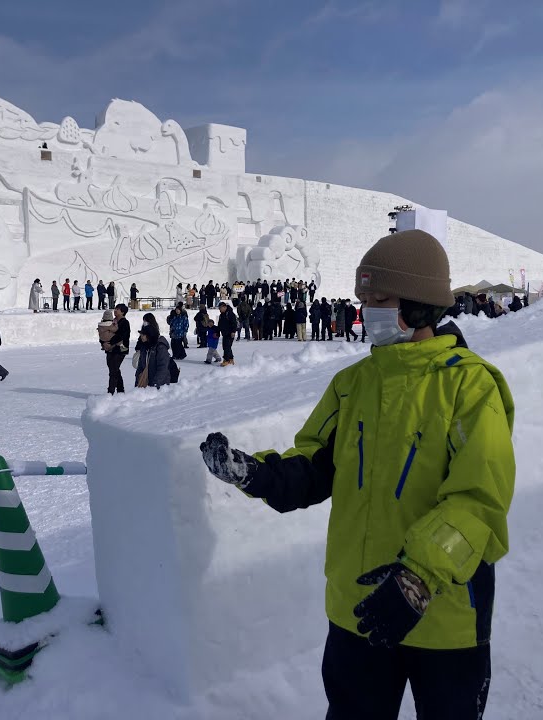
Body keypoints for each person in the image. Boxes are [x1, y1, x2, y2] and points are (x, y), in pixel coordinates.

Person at [198, 229, 515, 719]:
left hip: (444, 613)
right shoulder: (351, 385)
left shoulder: (469, 386)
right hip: (358, 611)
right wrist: (255, 474)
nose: (368, 312)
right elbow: (313, 468)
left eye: (380, 299)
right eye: (363, 299)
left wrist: (418, 579)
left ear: (420, 304)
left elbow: (478, 501)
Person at [103, 304, 131, 394]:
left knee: (114, 370)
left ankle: (110, 392)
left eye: (117, 309)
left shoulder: (125, 322)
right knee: (114, 369)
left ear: (123, 312)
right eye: (115, 309)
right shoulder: (112, 321)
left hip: (121, 348)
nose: (115, 310)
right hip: (110, 349)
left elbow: (122, 336)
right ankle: (120, 390)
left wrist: (110, 343)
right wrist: (104, 343)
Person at [217, 301, 238, 366]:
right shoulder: (221, 315)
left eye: (220, 308)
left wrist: (233, 331)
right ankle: (231, 359)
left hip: (230, 333)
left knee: (227, 347)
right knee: (226, 346)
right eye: (219, 308)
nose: (220, 309)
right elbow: (219, 324)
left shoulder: (230, 314)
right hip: (224, 333)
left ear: (224, 307)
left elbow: (234, 323)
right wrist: (218, 332)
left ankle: (226, 360)